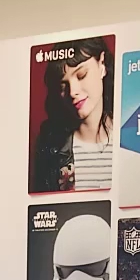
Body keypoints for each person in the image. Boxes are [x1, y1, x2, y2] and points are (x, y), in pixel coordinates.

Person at [30, 39, 113, 193]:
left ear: (102, 64)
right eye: (63, 85)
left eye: (82, 75)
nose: (73, 91)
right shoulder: (51, 147)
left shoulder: (133, 134)